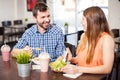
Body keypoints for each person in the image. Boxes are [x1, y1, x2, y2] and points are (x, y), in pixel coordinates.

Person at [61, 6, 114, 74]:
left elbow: (107, 69)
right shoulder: (84, 36)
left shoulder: (106, 39)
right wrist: (71, 59)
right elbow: (82, 59)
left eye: (83, 19)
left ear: (92, 21)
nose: (81, 22)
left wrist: (78, 69)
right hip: (81, 76)